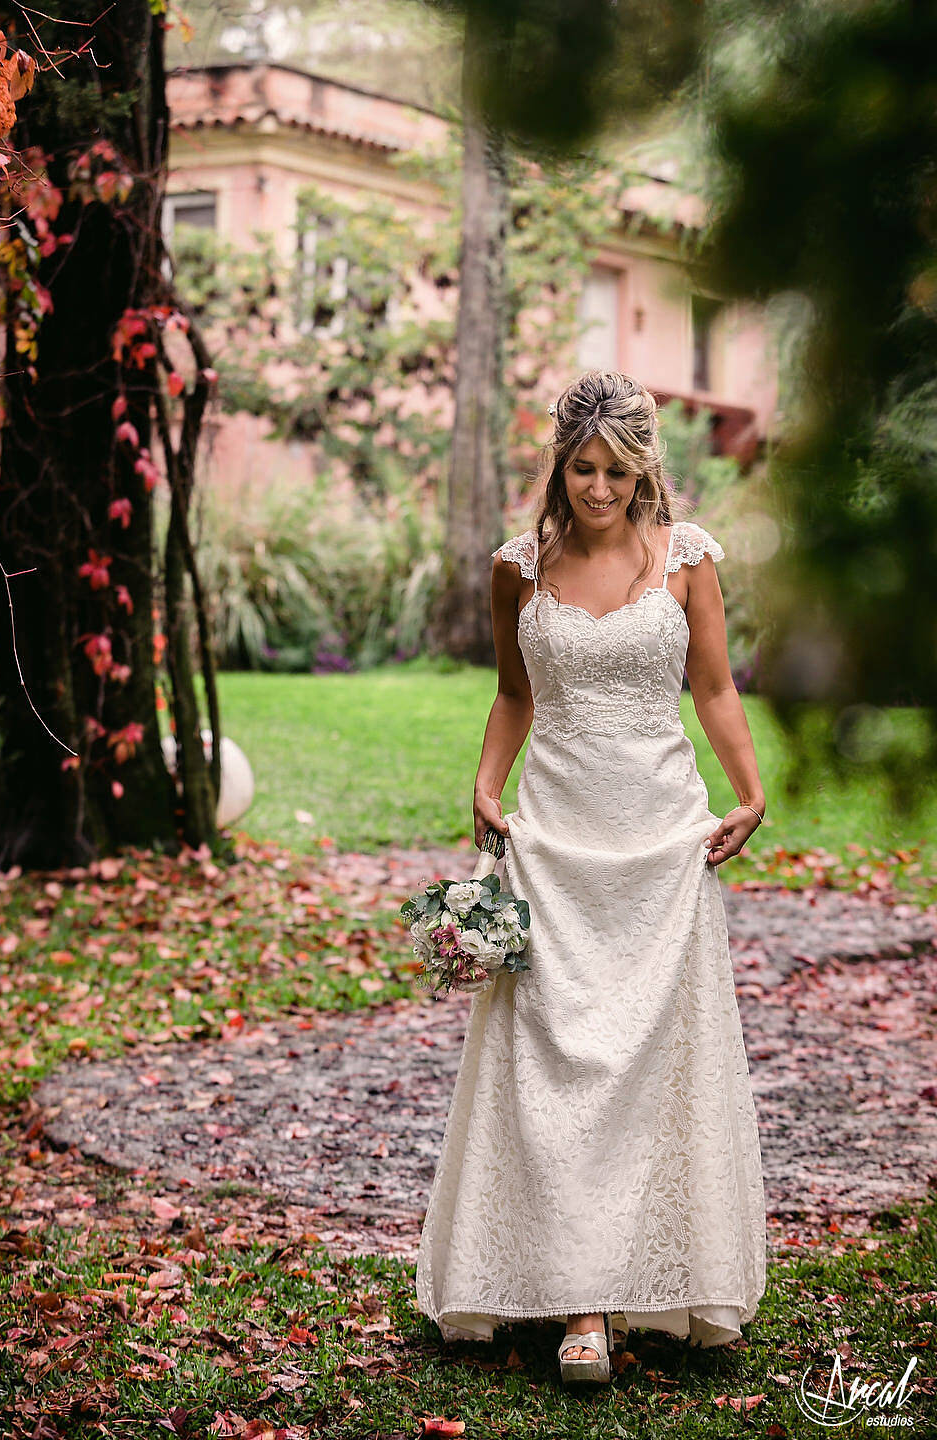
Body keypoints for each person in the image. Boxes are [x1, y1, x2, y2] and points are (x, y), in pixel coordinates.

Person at [414, 369, 767, 1386]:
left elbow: (713, 685)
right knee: (560, 1067)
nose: (599, 489)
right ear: (558, 466)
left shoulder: (688, 558)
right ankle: (581, 1307)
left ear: (643, 470)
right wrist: (485, 783)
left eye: (617, 471)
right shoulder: (517, 569)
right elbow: (514, 693)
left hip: (662, 840)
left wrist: (748, 792)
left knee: (660, 1062)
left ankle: (685, 1281)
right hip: (555, 840)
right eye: (582, 469)